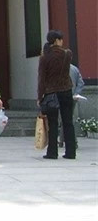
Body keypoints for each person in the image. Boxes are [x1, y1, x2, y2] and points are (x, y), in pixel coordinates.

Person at [37, 29, 76, 160]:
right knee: (68, 122)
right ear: (57, 40)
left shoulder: (45, 57)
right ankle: (71, 152)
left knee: (52, 124)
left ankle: (52, 152)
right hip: (66, 90)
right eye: (61, 39)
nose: (62, 41)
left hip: (51, 93)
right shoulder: (67, 54)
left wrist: (40, 96)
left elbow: (41, 79)